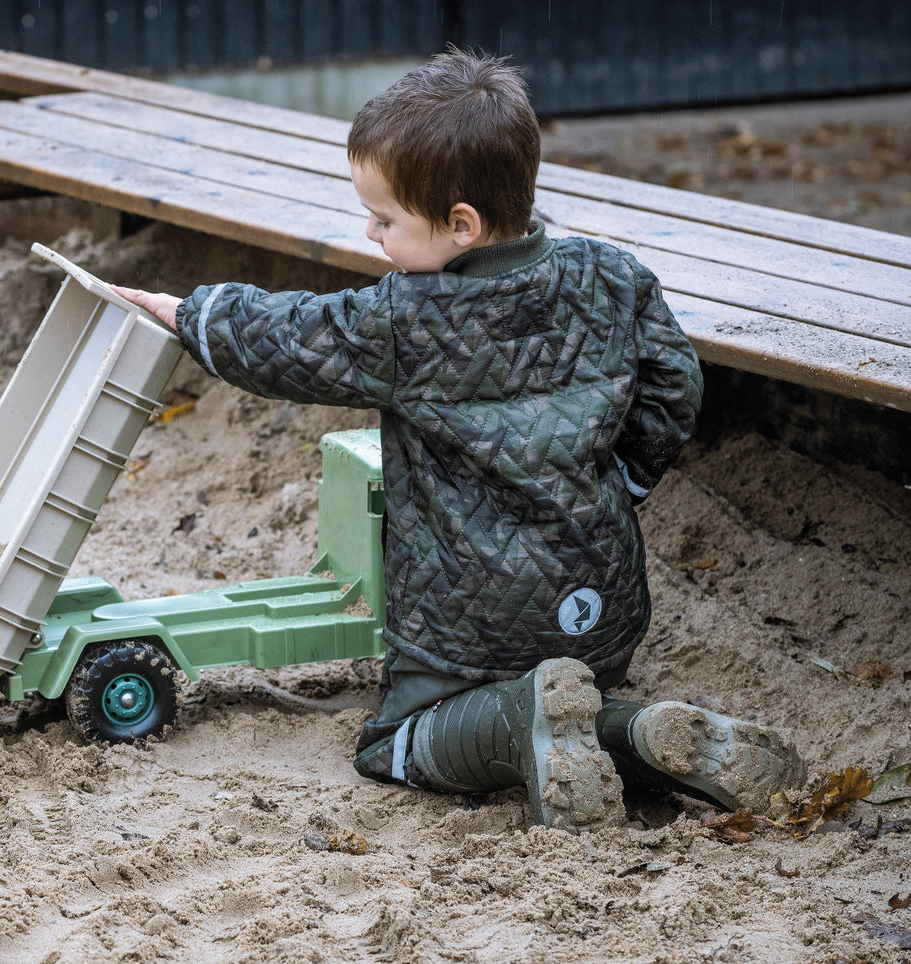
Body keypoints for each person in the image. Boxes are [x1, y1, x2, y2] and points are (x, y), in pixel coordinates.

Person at [113, 48, 803, 834]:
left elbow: (292, 337)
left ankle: (519, 720)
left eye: (385, 220)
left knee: (395, 741)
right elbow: (674, 383)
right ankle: (626, 730)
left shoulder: (406, 319)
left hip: (466, 618)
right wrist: (629, 482)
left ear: (460, 225)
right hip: (600, 602)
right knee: (581, 687)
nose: (370, 234)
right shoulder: (613, 277)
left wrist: (190, 312)